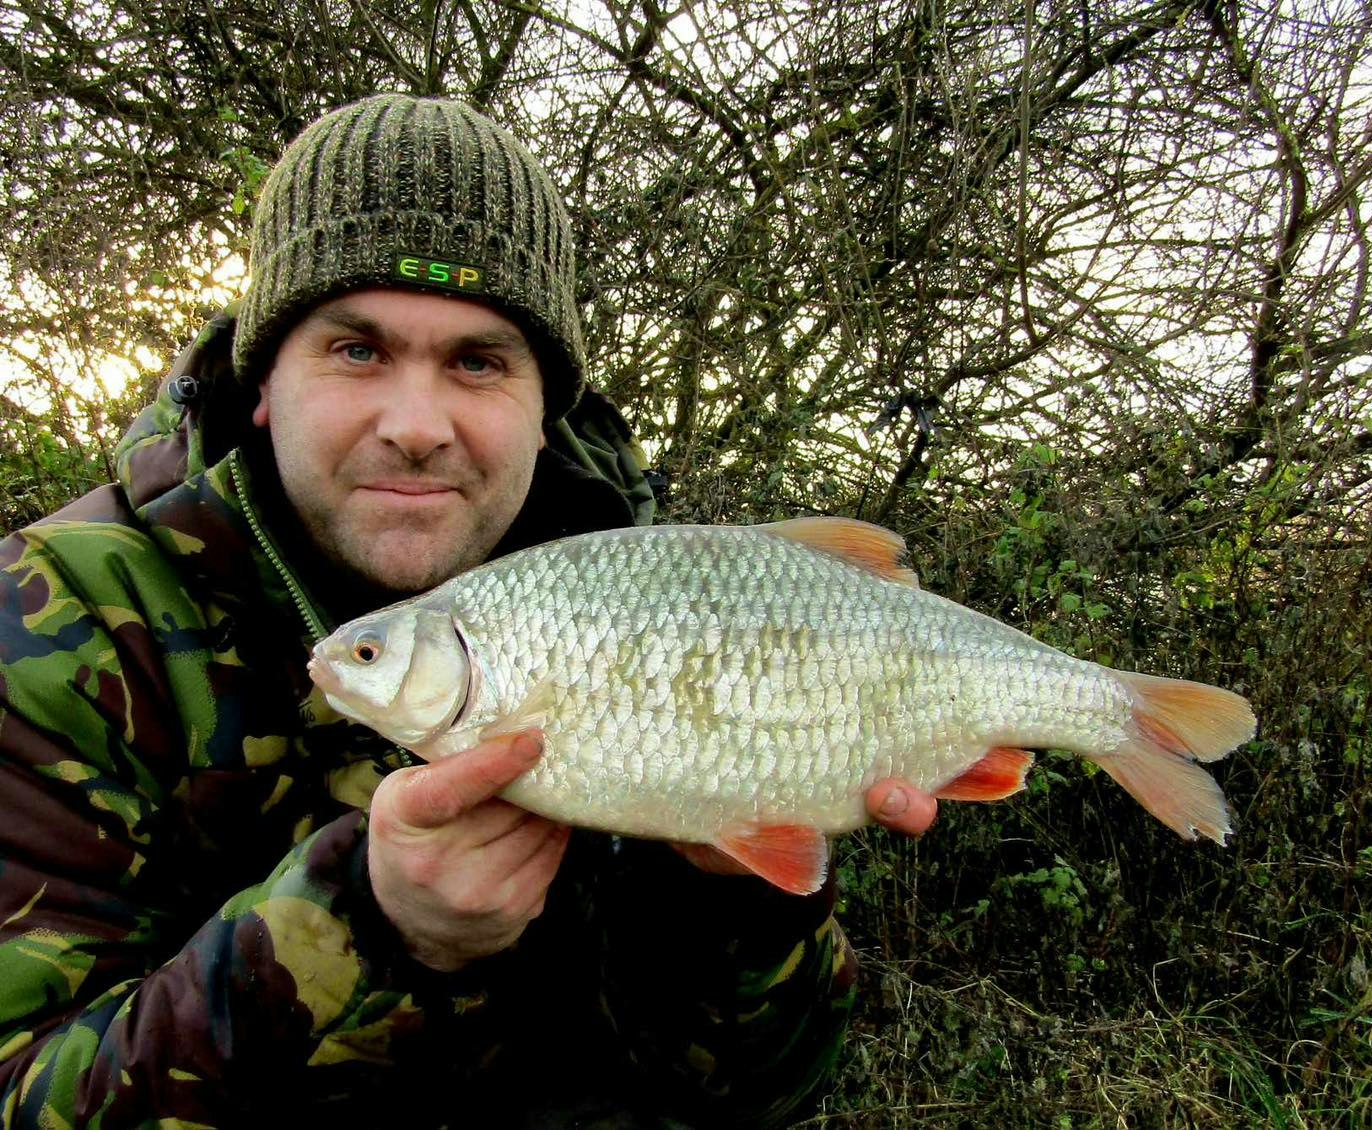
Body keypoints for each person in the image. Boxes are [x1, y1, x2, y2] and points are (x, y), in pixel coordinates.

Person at [0, 94, 937, 1127]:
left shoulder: (651, 592)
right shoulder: (53, 624)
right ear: (264, 378)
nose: (416, 426)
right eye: (356, 349)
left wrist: (731, 894)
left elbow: (764, 1091)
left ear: (548, 408)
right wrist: (364, 925)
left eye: (478, 361)